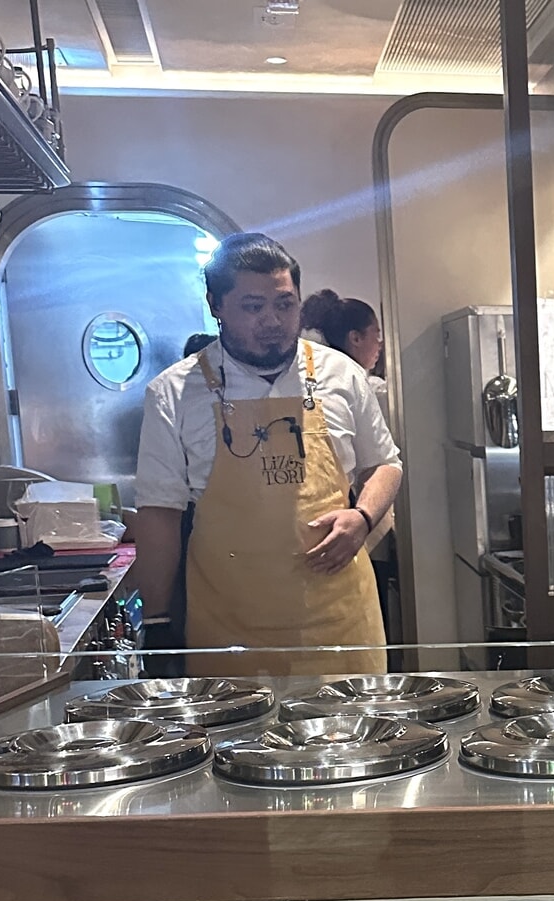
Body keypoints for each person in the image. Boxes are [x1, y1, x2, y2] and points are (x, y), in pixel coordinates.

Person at [130, 233, 402, 676]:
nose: (272, 320)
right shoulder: (173, 394)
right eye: (253, 307)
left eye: (284, 304)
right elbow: (159, 514)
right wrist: (158, 624)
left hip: (340, 623)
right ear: (216, 305)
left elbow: (385, 464)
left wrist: (363, 517)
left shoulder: (342, 375)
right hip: (229, 632)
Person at [300, 289, 387, 403]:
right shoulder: (370, 391)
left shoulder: (315, 384)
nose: (379, 345)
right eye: (376, 335)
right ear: (356, 338)